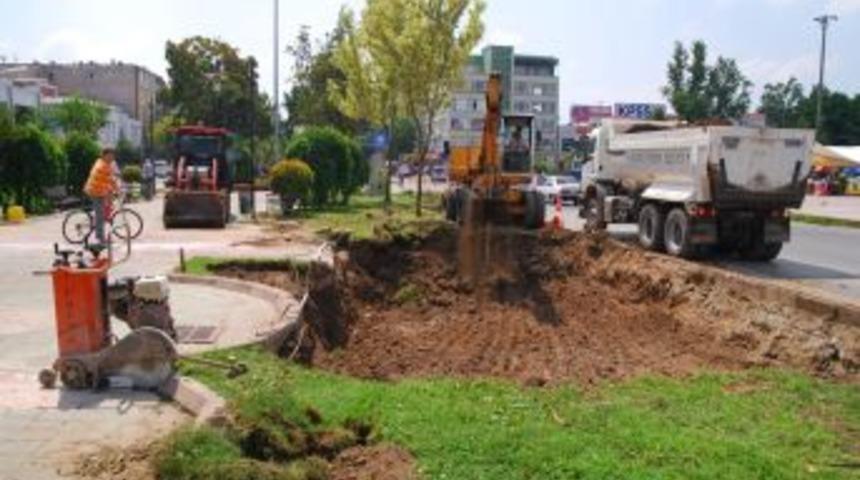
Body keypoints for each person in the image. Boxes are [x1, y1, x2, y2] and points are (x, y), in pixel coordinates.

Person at [84, 148, 119, 245]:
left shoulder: (102, 162)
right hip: (95, 191)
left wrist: (114, 190)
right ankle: (100, 238)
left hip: (99, 191)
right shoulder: (103, 166)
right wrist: (117, 190)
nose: (112, 157)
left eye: (113, 155)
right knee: (100, 216)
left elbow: (110, 180)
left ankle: (100, 235)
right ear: (104, 155)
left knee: (102, 214)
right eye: (110, 155)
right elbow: (110, 180)